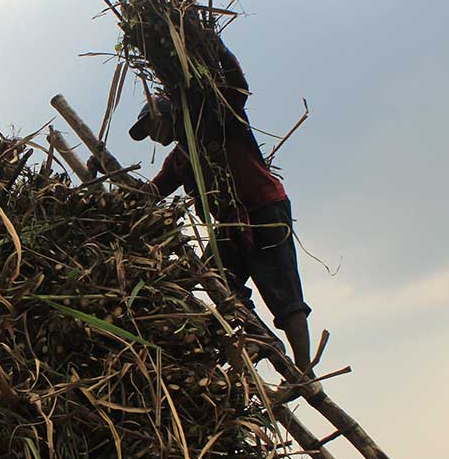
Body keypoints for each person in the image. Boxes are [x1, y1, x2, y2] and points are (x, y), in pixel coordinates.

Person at [127, 42, 313, 373]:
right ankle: (260, 338)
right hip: (230, 227)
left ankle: (303, 370)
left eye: (151, 128)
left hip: (263, 209)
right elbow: (152, 192)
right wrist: (111, 178)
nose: (152, 137)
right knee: (216, 279)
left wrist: (217, 49)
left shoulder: (216, 121)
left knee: (280, 284)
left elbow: (235, 86)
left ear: (165, 115)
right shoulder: (181, 159)